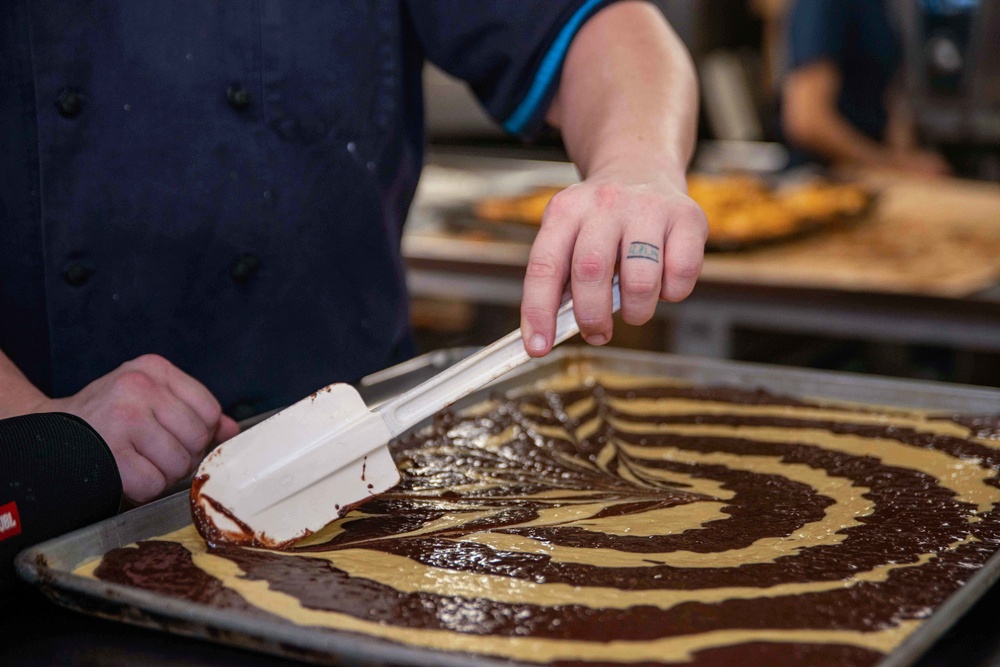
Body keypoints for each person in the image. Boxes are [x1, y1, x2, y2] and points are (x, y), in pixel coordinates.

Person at [0, 2, 706, 506]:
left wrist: (635, 164)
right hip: (58, 504)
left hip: (369, 478)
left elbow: (602, 26)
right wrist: (43, 435)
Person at [781, 0, 950, 175]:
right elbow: (808, 121)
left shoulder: (881, 8)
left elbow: (890, 98)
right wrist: (893, 164)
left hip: (873, 172)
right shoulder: (824, 5)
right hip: (826, 178)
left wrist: (907, 160)